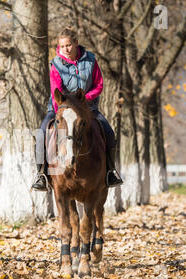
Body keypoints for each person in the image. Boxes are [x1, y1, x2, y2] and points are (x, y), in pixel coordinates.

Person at [32, 28, 123, 191]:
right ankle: (42, 174)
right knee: (41, 134)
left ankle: (110, 171)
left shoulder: (91, 60)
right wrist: (63, 108)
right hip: (60, 107)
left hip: (88, 108)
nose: (65, 49)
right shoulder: (56, 64)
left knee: (109, 132)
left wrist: (85, 100)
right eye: (62, 46)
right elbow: (56, 91)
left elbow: (99, 85)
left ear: (76, 44)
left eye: (68, 45)